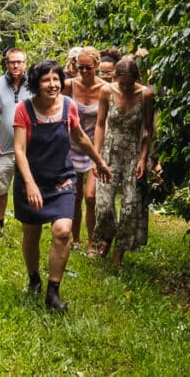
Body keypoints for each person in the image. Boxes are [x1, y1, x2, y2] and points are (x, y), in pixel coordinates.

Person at [13, 60, 112, 313]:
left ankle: (53, 292)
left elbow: (79, 135)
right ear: (37, 84)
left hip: (62, 179)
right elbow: (20, 151)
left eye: (56, 79)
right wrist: (30, 184)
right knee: (31, 234)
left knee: (63, 231)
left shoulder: (68, 106)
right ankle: (34, 278)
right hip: (31, 181)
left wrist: (99, 162)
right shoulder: (24, 109)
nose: (53, 84)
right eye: (47, 80)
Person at [92, 56, 156, 267]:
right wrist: (96, 156)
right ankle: (106, 238)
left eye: (130, 83)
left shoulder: (146, 94)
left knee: (130, 205)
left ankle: (119, 252)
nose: (126, 87)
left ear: (136, 78)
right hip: (109, 152)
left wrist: (144, 158)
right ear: (116, 77)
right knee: (104, 205)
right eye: (122, 83)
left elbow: (148, 129)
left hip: (133, 155)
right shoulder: (107, 91)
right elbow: (100, 125)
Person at [63, 46, 107, 254]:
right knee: (75, 194)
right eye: (79, 67)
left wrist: (97, 155)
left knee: (90, 197)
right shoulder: (69, 86)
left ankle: (92, 241)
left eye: (88, 68)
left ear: (96, 66)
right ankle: (76, 239)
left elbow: (103, 122)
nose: (83, 72)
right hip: (71, 146)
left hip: (94, 145)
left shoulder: (106, 89)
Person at [0, 47, 30, 233]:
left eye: (19, 62)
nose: (16, 65)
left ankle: (28, 221)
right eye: (12, 62)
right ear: (7, 64)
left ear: (25, 63)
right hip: (3, 148)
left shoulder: (33, 84)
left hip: (28, 149)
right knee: (0, 187)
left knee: (28, 185)